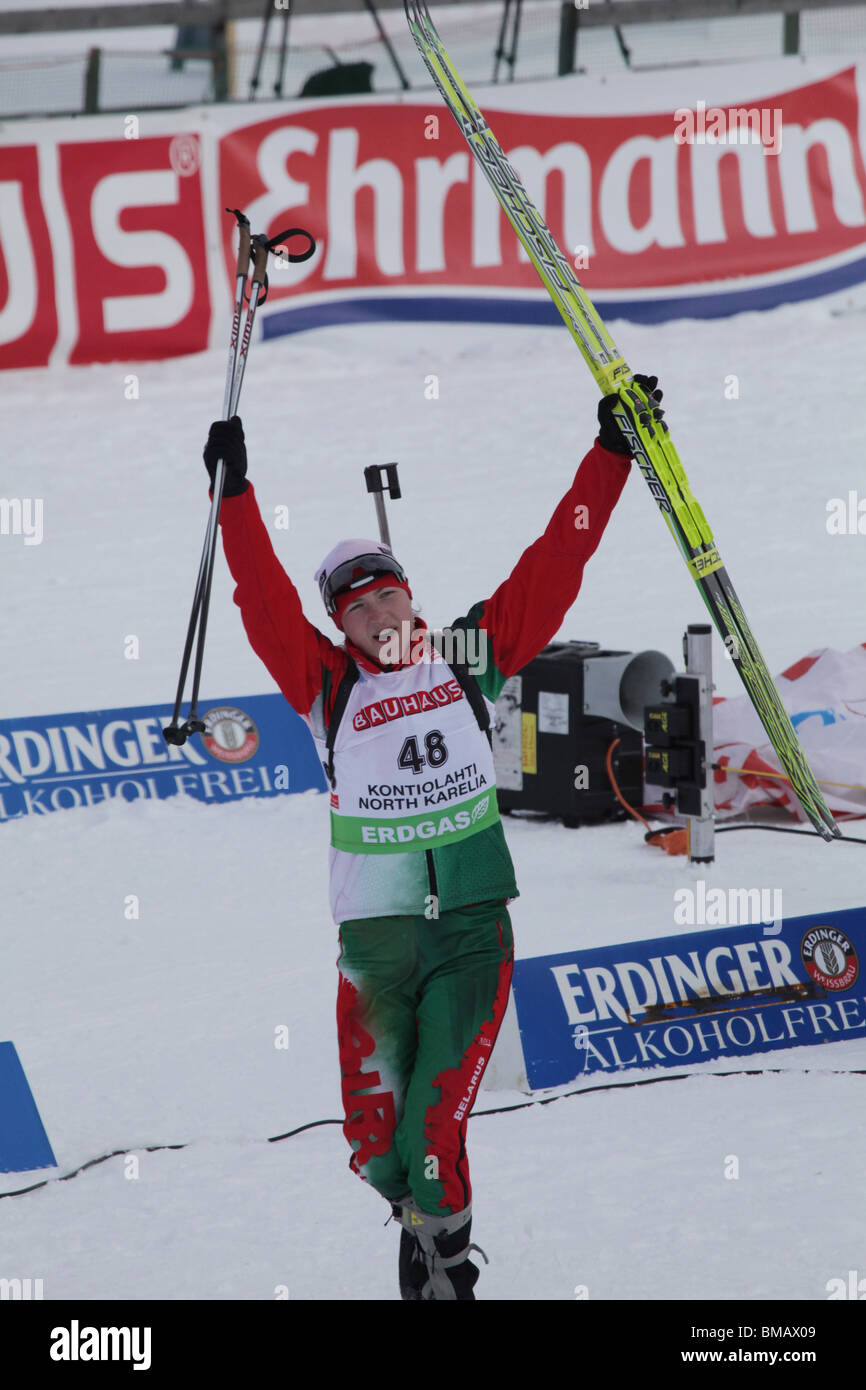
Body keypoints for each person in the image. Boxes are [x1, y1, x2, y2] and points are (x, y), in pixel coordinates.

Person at [202, 375, 664, 1300]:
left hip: (469, 931)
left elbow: (553, 565)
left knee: (431, 1128)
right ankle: (422, 1227)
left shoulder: (467, 660)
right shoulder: (325, 688)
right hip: (376, 946)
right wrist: (235, 498)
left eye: (390, 599)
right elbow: (258, 600)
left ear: (414, 600)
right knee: (377, 1146)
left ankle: (446, 1274)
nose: (380, 618)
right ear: (342, 625)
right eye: (359, 609)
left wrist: (612, 453)